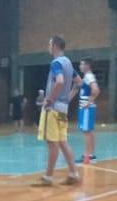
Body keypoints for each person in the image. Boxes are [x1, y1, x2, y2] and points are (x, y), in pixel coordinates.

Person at [37, 35, 81, 186]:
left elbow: (60, 81)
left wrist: (50, 98)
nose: (48, 47)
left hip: (54, 109)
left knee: (52, 143)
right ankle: (74, 173)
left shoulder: (56, 63)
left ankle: (48, 177)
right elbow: (78, 82)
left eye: (49, 44)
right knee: (63, 142)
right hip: (63, 109)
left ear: (55, 46)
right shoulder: (68, 63)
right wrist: (68, 98)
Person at [77, 58, 99, 164]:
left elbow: (96, 90)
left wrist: (88, 102)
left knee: (86, 132)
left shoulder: (89, 76)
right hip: (87, 108)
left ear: (88, 65)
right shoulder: (87, 76)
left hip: (87, 108)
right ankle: (91, 155)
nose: (80, 66)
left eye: (82, 64)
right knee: (89, 132)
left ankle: (87, 156)